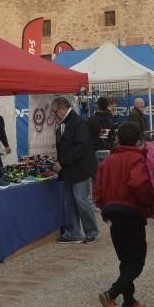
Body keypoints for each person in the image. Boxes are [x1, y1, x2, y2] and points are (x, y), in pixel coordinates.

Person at [94, 121, 154, 307]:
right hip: (131, 213)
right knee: (137, 262)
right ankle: (112, 294)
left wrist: (104, 208)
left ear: (118, 138)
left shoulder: (107, 162)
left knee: (125, 260)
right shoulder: (136, 159)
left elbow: (98, 190)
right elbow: (140, 185)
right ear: (138, 140)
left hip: (113, 213)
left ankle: (129, 301)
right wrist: (149, 207)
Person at [52, 96, 100, 244]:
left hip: (80, 169)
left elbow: (81, 147)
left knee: (81, 200)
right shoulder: (65, 123)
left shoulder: (78, 123)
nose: (54, 115)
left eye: (55, 112)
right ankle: (72, 232)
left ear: (62, 108)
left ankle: (91, 231)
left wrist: (63, 162)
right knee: (69, 201)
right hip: (69, 169)